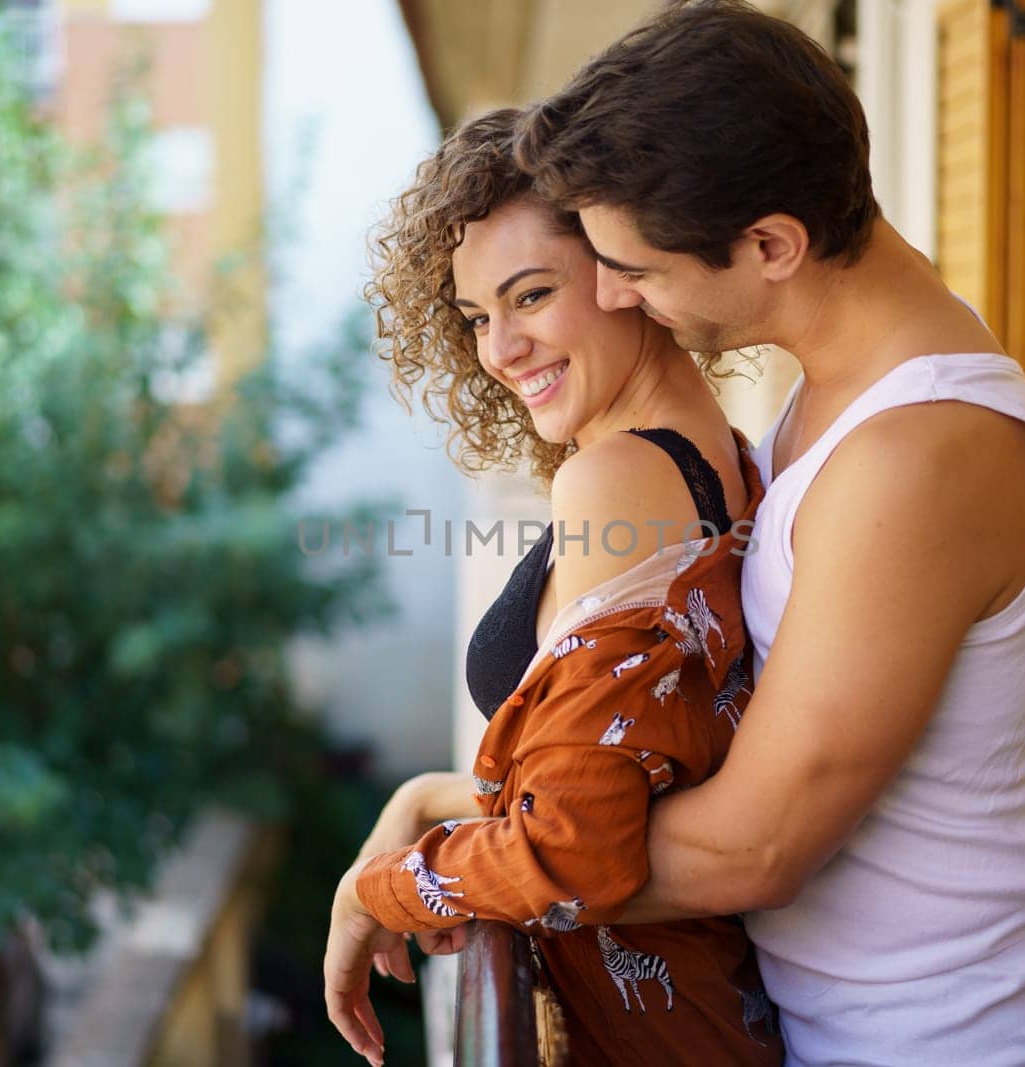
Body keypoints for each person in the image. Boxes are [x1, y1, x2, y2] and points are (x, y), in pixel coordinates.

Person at [507, 2, 1025, 1065]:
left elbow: (757, 843)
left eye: (638, 270)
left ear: (770, 243)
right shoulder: (842, 388)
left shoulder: (917, 452)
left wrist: (450, 864)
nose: (611, 295)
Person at [323, 109, 783, 1065]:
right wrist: (423, 797)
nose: (499, 350)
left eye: (530, 296)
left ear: (626, 272)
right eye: (477, 318)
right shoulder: (718, 453)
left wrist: (376, 890)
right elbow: (627, 779)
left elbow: (576, 848)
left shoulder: (616, 477)